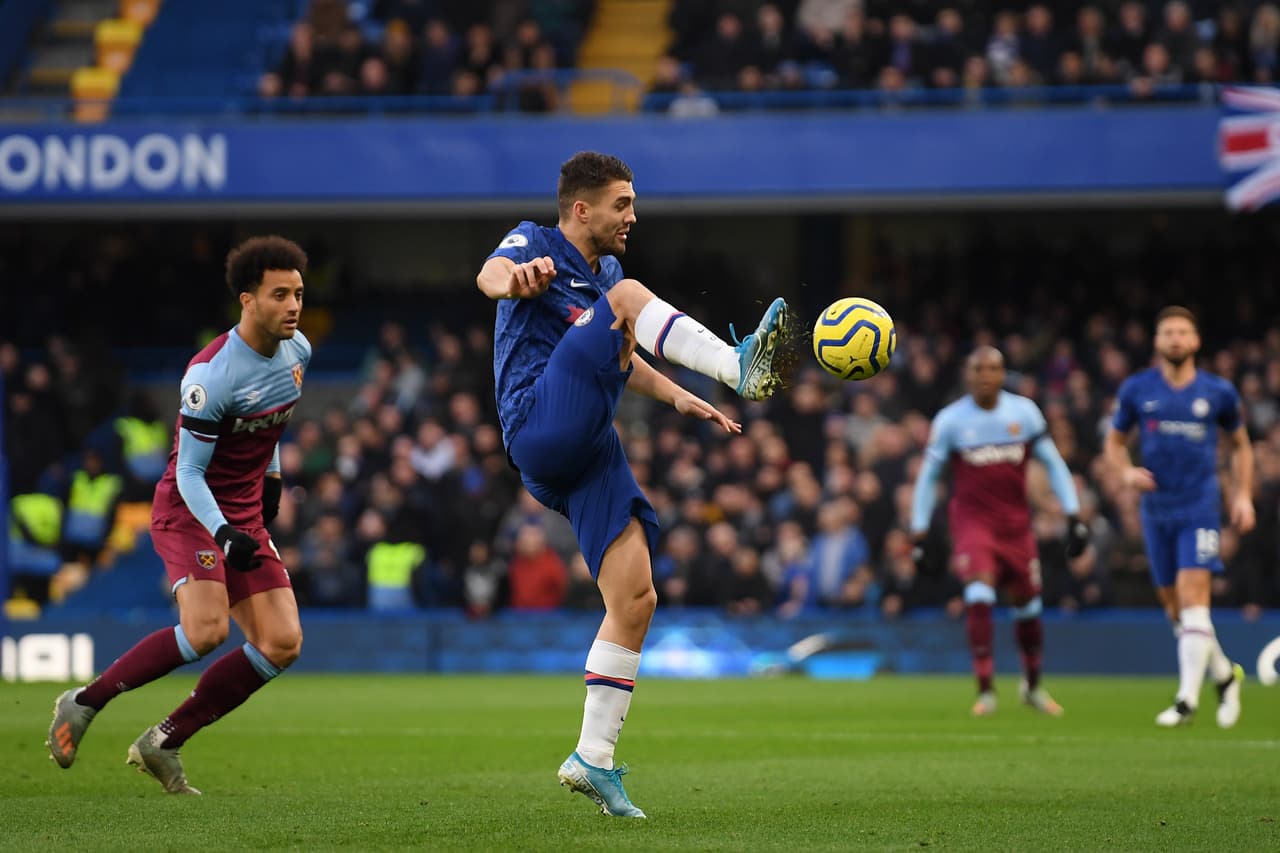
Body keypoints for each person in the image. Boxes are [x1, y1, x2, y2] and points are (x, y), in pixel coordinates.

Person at [476, 151, 789, 818]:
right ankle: (738, 365)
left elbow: (619, 351)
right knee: (624, 300)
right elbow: (489, 273)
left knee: (636, 595)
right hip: (538, 423)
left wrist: (678, 394)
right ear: (581, 208)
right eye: (622, 203)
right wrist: (514, 280)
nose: (633, 215)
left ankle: (592, 757)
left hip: (587, 446)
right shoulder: (537, 241)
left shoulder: (608, 277)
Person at [46, 236, 312, 794]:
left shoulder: (298, 353)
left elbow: (275, 425)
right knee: (207, 629)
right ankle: (85, 701)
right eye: (280, 294)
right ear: (247, 300)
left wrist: (273, 478)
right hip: (191, 512)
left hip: (243, 515)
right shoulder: (211, 375)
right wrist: (222, 530)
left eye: (299, 294)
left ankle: (163, 741)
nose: (293, 306)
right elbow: (188, 474)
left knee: (283, 642)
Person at [910, 347, 1088, 717]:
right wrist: (919, 533)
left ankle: (1033, 686)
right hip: (973, 524)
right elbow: (928, 478)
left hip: (1017, 527)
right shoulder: (951, 421)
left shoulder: (1023, 413)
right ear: (967, 374)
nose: (986, 375)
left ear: (1003, 373)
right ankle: (986, 689)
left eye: (993, 368)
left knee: (1029, 608)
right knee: (979, 595)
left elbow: (1053, 463)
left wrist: (1074, 515)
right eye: (978, 368)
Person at [1104, 306, 1250, 728]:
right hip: (1156, 510)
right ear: (1157, 341)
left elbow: (1240, 445)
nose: (1175, 339)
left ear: (1196, 341)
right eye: (1168, 332)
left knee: (1193, 597)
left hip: (1200, 506)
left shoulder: (1218, 392)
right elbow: (1113, 443)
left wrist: (1242, 496)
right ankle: (1224, 675)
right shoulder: (1138, 389)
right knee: (1175, 609)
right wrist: (1126, 472)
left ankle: (1186, 700)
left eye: (1183, 332)